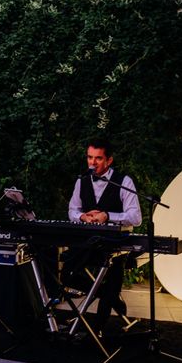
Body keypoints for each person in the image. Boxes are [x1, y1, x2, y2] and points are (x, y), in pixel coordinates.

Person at [63, 138, 141, 333]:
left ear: (109, 160)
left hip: (115, 242)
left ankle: (98, 327)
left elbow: (136, 217)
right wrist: (82, 216)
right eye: (90, 157)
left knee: (113, 275)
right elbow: (72, 210)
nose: (92, 162)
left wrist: (108, 216)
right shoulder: (81, 181)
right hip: (88, 241)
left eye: (98, 158)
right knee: (66, 274)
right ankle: (109, 295)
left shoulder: (124, 181)